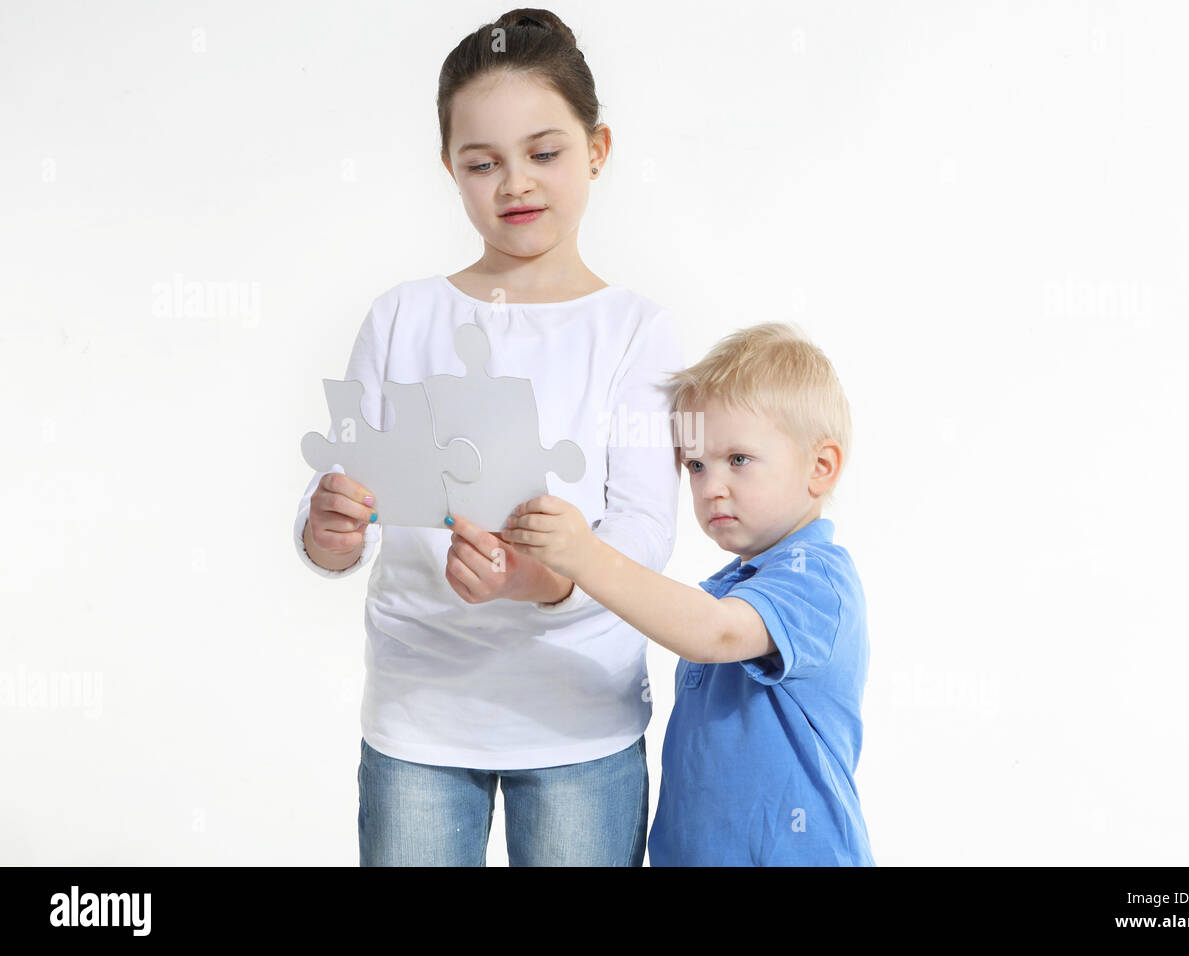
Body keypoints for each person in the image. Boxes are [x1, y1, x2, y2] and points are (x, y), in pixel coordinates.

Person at [293, 8, 683, 866]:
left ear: (598, 149)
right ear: (450, 169)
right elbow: (344, 499)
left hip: (580, 718)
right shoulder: (402, 317)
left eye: (544, 153)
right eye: (482, 163)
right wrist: (327, 533)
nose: (515, 184)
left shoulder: (634, 330)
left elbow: (645, 528)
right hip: (419, 719)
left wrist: (546, 580)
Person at [504, 322, 875, 865]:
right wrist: (539, 579)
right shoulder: (729, 587)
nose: (710, 487)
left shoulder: (816, 580)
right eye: (696, 466)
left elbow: (714, 632)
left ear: (820, 468)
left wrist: (584, 554)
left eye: (738, 459)